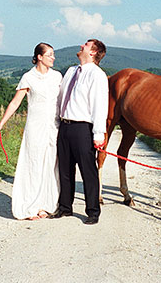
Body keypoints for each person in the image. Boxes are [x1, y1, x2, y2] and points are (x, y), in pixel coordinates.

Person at [0, 43, 62, 220]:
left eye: (53, 55)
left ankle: (47, 204)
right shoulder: (28, 77)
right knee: (34, 164)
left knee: (51, 165)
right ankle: (30, 206)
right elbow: (15, 103)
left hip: (54, 126)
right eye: (50, 55)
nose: (53, 58)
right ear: (39, 57)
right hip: (35, 126)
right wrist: (1, 124)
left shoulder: (57, 76)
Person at [49, 39, 108, 225]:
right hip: (65, 126)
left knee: (88, 170)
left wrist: (99, 134)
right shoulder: (71, 71)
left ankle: (92, 211)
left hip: (82, 127)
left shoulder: (97, 75)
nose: (81, 46)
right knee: (65, 170)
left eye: (86, 45)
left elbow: (100, 105)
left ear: (93, 52)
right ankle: (65, 207)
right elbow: (60, 98)